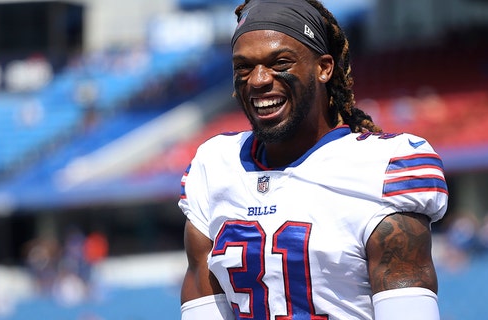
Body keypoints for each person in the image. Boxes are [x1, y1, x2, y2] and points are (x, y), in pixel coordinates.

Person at [178, 0, 449, 319]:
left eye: (280, 62)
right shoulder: (214, 166)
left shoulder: (382, 166)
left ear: (324, 68)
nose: (259, 80)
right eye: (244, 67)